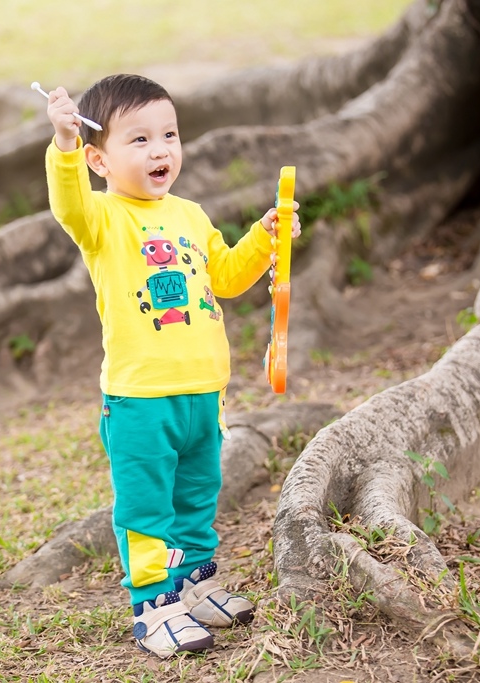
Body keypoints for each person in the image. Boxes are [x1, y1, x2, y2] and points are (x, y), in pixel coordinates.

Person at [42, 73, 300, 658]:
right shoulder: (101, 219)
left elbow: (229, 278)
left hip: (203, 393)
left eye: (169, 135)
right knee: (145, 506)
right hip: (140, 400)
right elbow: (67, 202)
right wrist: (61, 146)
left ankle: (196, 584)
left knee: (197, 496)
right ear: (98, 160)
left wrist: (265, 237)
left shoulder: (189, 215)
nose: (160, 150)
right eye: (138, 140)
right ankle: (153, 605)